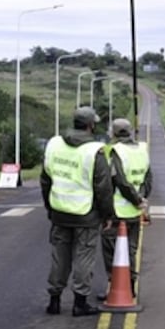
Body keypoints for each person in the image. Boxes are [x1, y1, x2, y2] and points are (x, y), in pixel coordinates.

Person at [40, 106, 114, 317]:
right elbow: (103, 187)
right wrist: (107, 215)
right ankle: (79, 303)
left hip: (59, 211)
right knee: (83, 257)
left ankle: (54, 301)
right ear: (91, 125)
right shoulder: (95, 151)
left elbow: (45, 179)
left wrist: (49, 206)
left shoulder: (54, 144)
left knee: (59, 257)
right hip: (86, 214)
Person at [100, 118, 152, 299]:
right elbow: (148, 179)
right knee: (130, 250)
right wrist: (141, 199)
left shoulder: (115, 151)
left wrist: (136, 199)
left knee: (112, 250)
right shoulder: (142, 150)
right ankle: (130, 285)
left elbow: (119, 180)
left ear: (113, 133)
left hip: (117, 211)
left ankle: (116, 287)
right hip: (134, 212)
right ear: (130, 132)